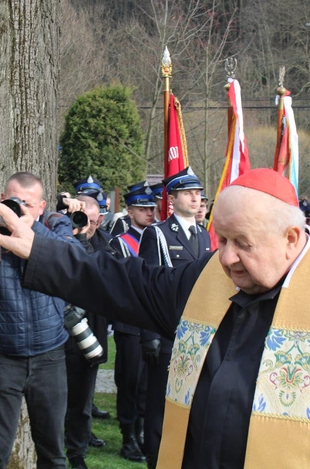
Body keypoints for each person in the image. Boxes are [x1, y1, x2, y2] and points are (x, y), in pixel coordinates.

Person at [0, 168, 310, 468]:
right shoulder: (209, 279)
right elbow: (127, 284)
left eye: (242, 242)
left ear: (291, 237)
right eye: (220, 239)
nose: (226, 258)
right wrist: (43, 250)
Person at [0, 172, 80, 469]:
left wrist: (34, 237)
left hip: (49, 357)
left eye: (28, 204)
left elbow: (78, 260)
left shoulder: (49, 238)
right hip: (3, 359)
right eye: (14, 202)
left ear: (41, 208)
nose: (20, 210)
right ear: (3, 201)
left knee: (53, 451)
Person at [137, 167, 211, 469]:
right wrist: (150, 335)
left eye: (198, 194)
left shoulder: (204, 234)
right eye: (189, 193)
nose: (196, 198)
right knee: (160, 405)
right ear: (174, 198)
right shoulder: (158, 234)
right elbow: (146, 287)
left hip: (198, 331)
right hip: (168, 331)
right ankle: (156, 458)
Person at [109, 183, 158, 463]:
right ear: (130, 212)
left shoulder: (159, 239)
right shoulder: (119, 243)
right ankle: (128, 437)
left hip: (152, 322)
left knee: (146, 385)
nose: (149, 213)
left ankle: (140, 434)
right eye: (143, 209)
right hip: (129, 324)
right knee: (129, 381)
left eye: (151, 208)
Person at [64, 195, 109, 469]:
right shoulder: (63, 239)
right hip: (63, 336)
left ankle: (77, 451)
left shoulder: (106, 245)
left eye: (93, 222)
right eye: (83, 220)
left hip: (92, 332)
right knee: (58, 398)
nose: (88, 227)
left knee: (83, 399)